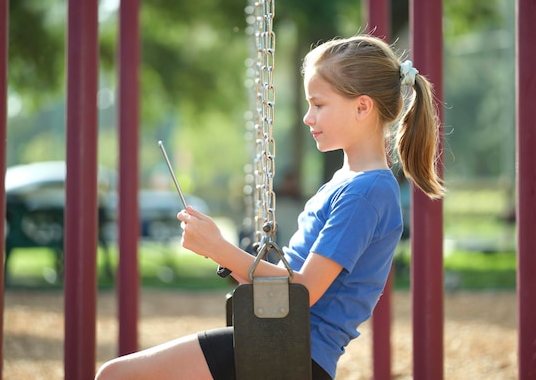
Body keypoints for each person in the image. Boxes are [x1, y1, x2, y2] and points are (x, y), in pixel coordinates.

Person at [95, 34, 445, 380]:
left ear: (362, 107)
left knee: (116, 375)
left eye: (319, 105)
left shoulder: (365, 192)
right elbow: (284, 282)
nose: (308, 117)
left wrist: (219, 247)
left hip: (291, 354)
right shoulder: (348, 182)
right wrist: (217, 251)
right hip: (280, 346)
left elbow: (301, 292)